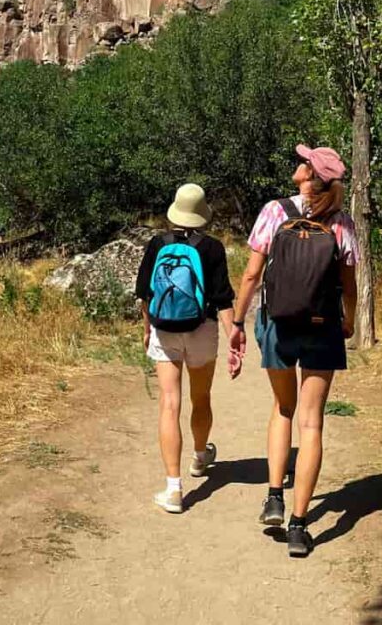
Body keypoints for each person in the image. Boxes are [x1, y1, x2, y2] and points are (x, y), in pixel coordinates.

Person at [229, 145, 358, 556]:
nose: (297, 164)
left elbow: (252, 274)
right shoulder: (341, 221)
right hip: (323, 328)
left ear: (308, 175)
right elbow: (349, 282)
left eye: (302, 161)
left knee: (283, 409)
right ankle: (300, 527)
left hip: (277, 323)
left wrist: (237, 322)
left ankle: (273, 498)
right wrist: (349, 320)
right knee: (313, 423)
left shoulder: (275, 211)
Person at [136, 183, 235, 514]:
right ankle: (199, 456)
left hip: (165, 330)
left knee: (169, 404)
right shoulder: (212, 248)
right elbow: (222, 299)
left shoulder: (157, 244)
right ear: (203, 213)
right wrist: (234, 336)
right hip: (202, 329)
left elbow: (144, 294)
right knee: (201, 396)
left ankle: (174, 489)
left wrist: (147, 327)